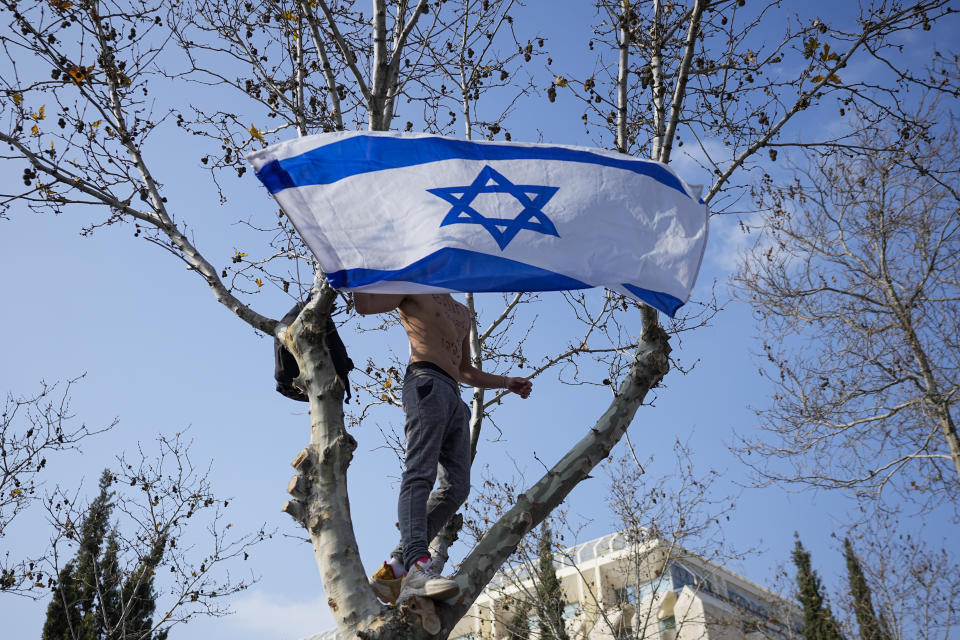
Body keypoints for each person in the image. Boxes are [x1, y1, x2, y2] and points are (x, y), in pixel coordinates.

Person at [354, 292, 532, 604]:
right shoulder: (412, 286)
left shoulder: (463, 312)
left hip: (454, 395)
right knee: (420, 474)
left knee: (457, 487)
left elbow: (466, 371)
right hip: (425, 381)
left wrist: (506, 382)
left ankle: (395, 568)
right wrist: (351, 266)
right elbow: (364, 305)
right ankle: (417, 565)